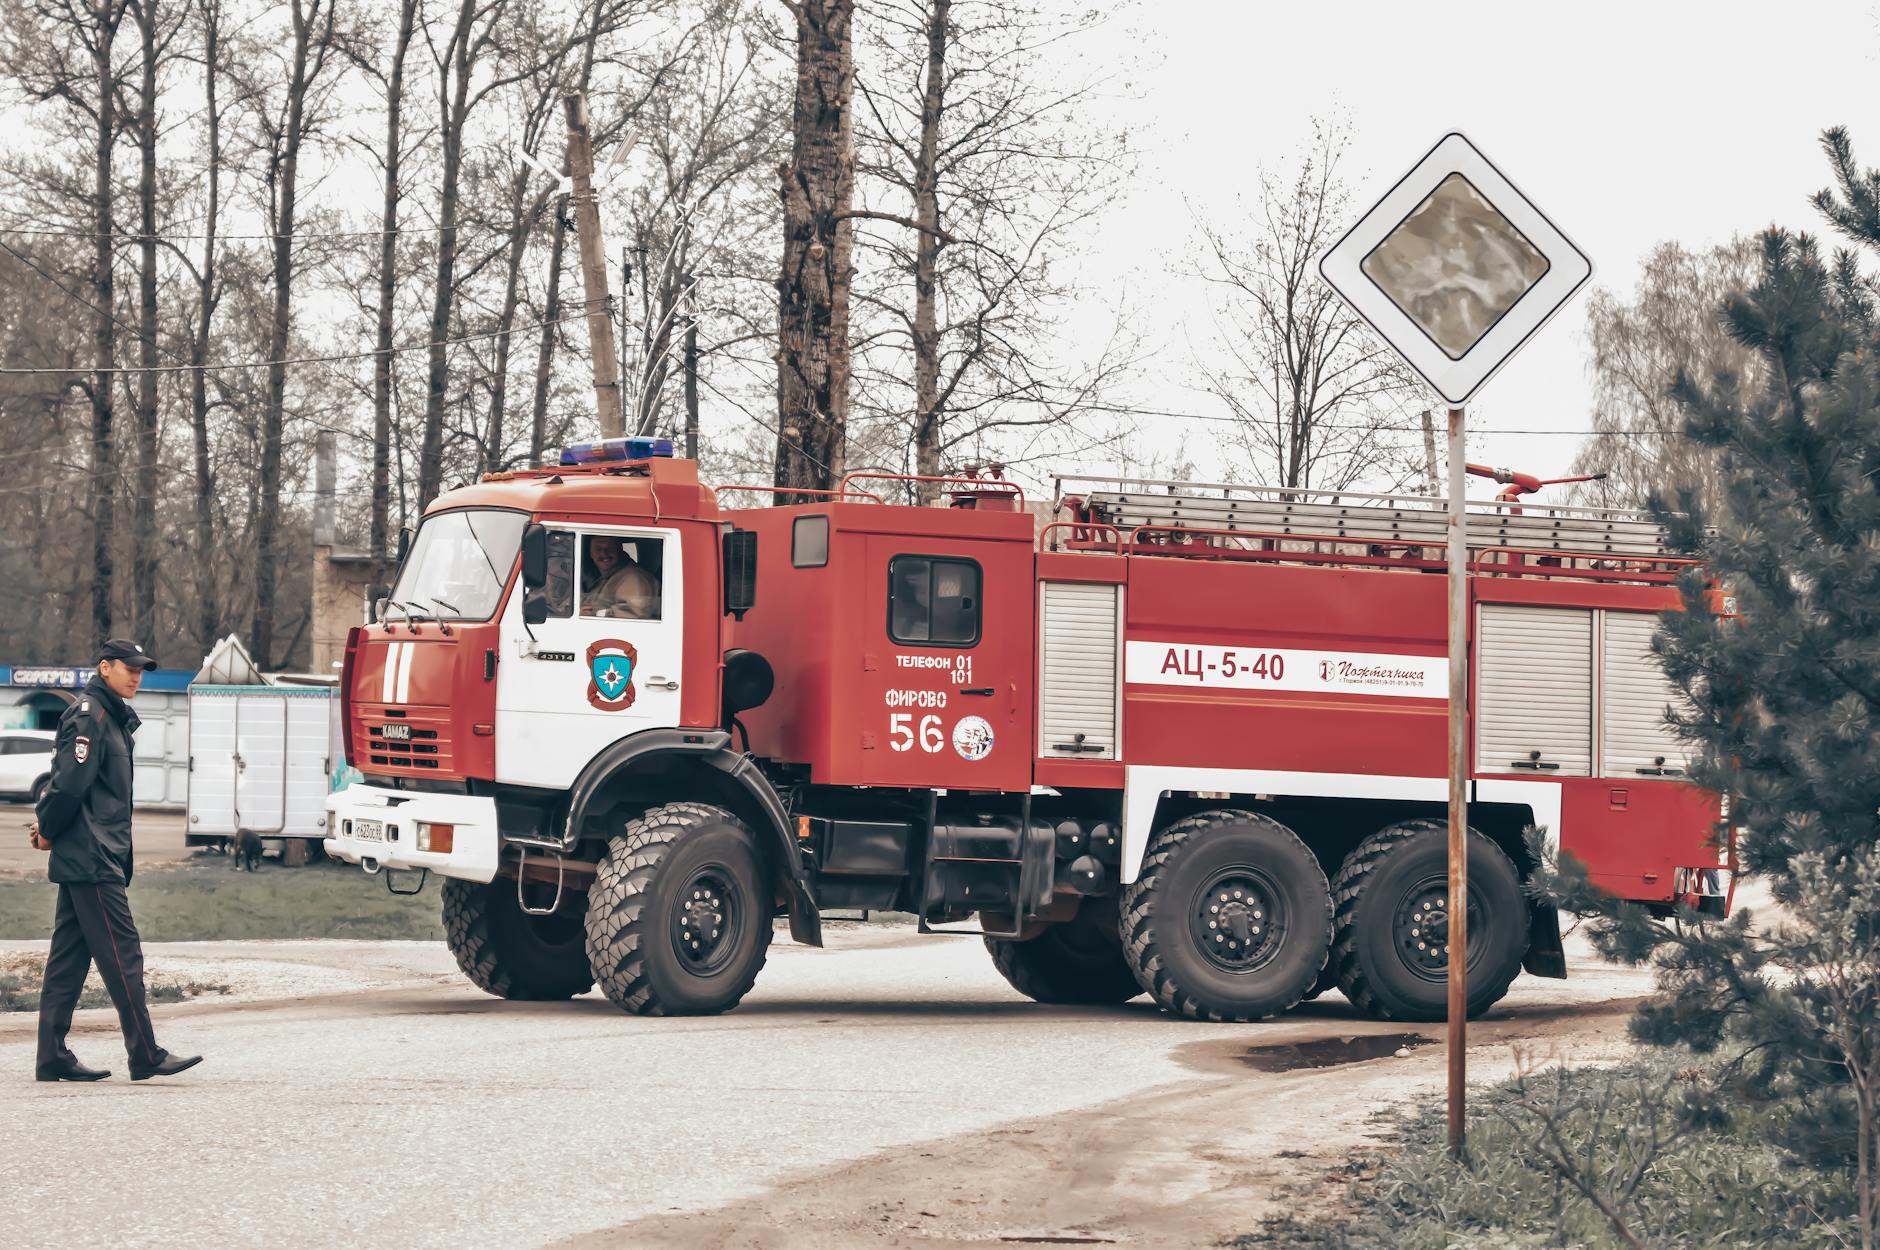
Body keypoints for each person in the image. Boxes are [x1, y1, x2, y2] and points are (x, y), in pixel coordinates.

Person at [30, 640, 202, 1082]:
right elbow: (68, 785)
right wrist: (48, 829)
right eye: (129, 669)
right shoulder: (92, 716)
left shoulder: (111, 718)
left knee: (68, 961)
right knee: (124, 956)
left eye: (142, 671)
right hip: (92, 857)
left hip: (92, 855)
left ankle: (51, 1056)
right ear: (105, 668)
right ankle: (144, 1053)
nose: (137, 677)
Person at [584, 535, 659, 619]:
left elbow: (630, 617)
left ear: (620, 550)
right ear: (590, 553)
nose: (604, 553)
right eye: (598, 549)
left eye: (610, 548)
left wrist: (590, 614)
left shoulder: (633, 578)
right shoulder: (606, 577)